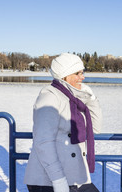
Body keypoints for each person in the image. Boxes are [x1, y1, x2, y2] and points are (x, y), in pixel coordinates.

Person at [24, 53, 102, 192]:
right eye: (78, 73)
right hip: (48, 181)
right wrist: (58, 180)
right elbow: (43, 142)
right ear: (65, 75)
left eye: (82, 73)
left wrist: (91, 98)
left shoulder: (75, 98)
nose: (82, 77)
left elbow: (95, 128)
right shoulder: (50, 97)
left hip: (75, 177)